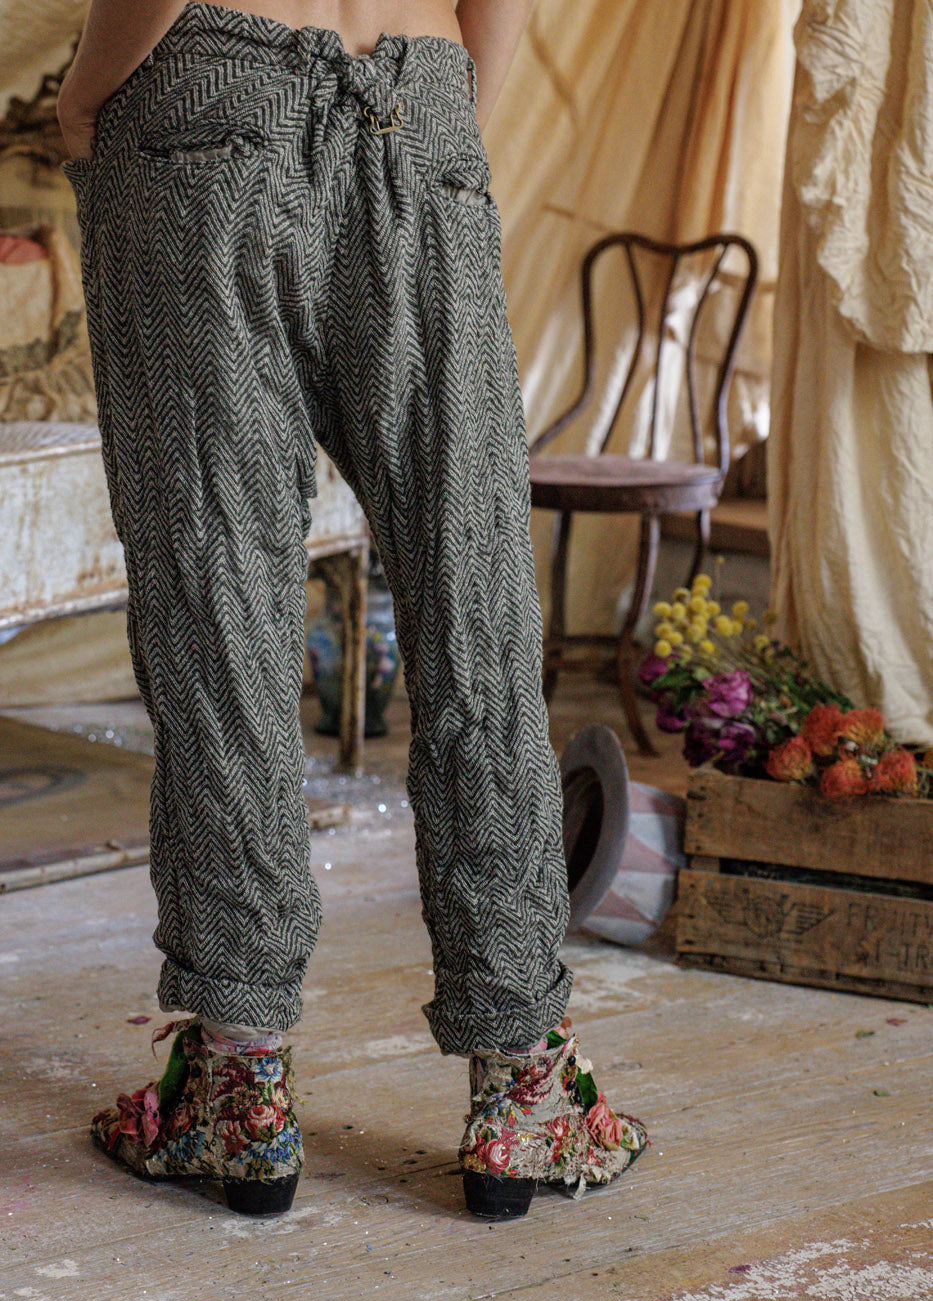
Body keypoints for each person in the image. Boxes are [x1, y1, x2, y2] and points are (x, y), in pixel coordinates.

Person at [57, 0, 648, 1220]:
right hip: (421, 94)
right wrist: (437, 112)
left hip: (207, 98)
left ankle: (238, 1084)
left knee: (221, 598)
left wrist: (84, 100)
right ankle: (525, 1083)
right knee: (476, 597)